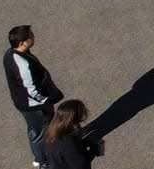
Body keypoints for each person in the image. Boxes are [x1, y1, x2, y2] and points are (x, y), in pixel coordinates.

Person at [6, 25, 59, 167]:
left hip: (23, 103)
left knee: (34, 130)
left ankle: (40, 157)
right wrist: (47, 100)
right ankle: (43, 162)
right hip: (35, 106)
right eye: (30, 36)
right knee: (40, 133)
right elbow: (32, 91)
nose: (33, 37)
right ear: (22, 43)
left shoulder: (10, 53)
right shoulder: (23, 66)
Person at [38, 99, 95, 169]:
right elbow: (81, 165)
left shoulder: (50, 132)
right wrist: (94, 150)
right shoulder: (68, 142)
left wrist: (85, 142)